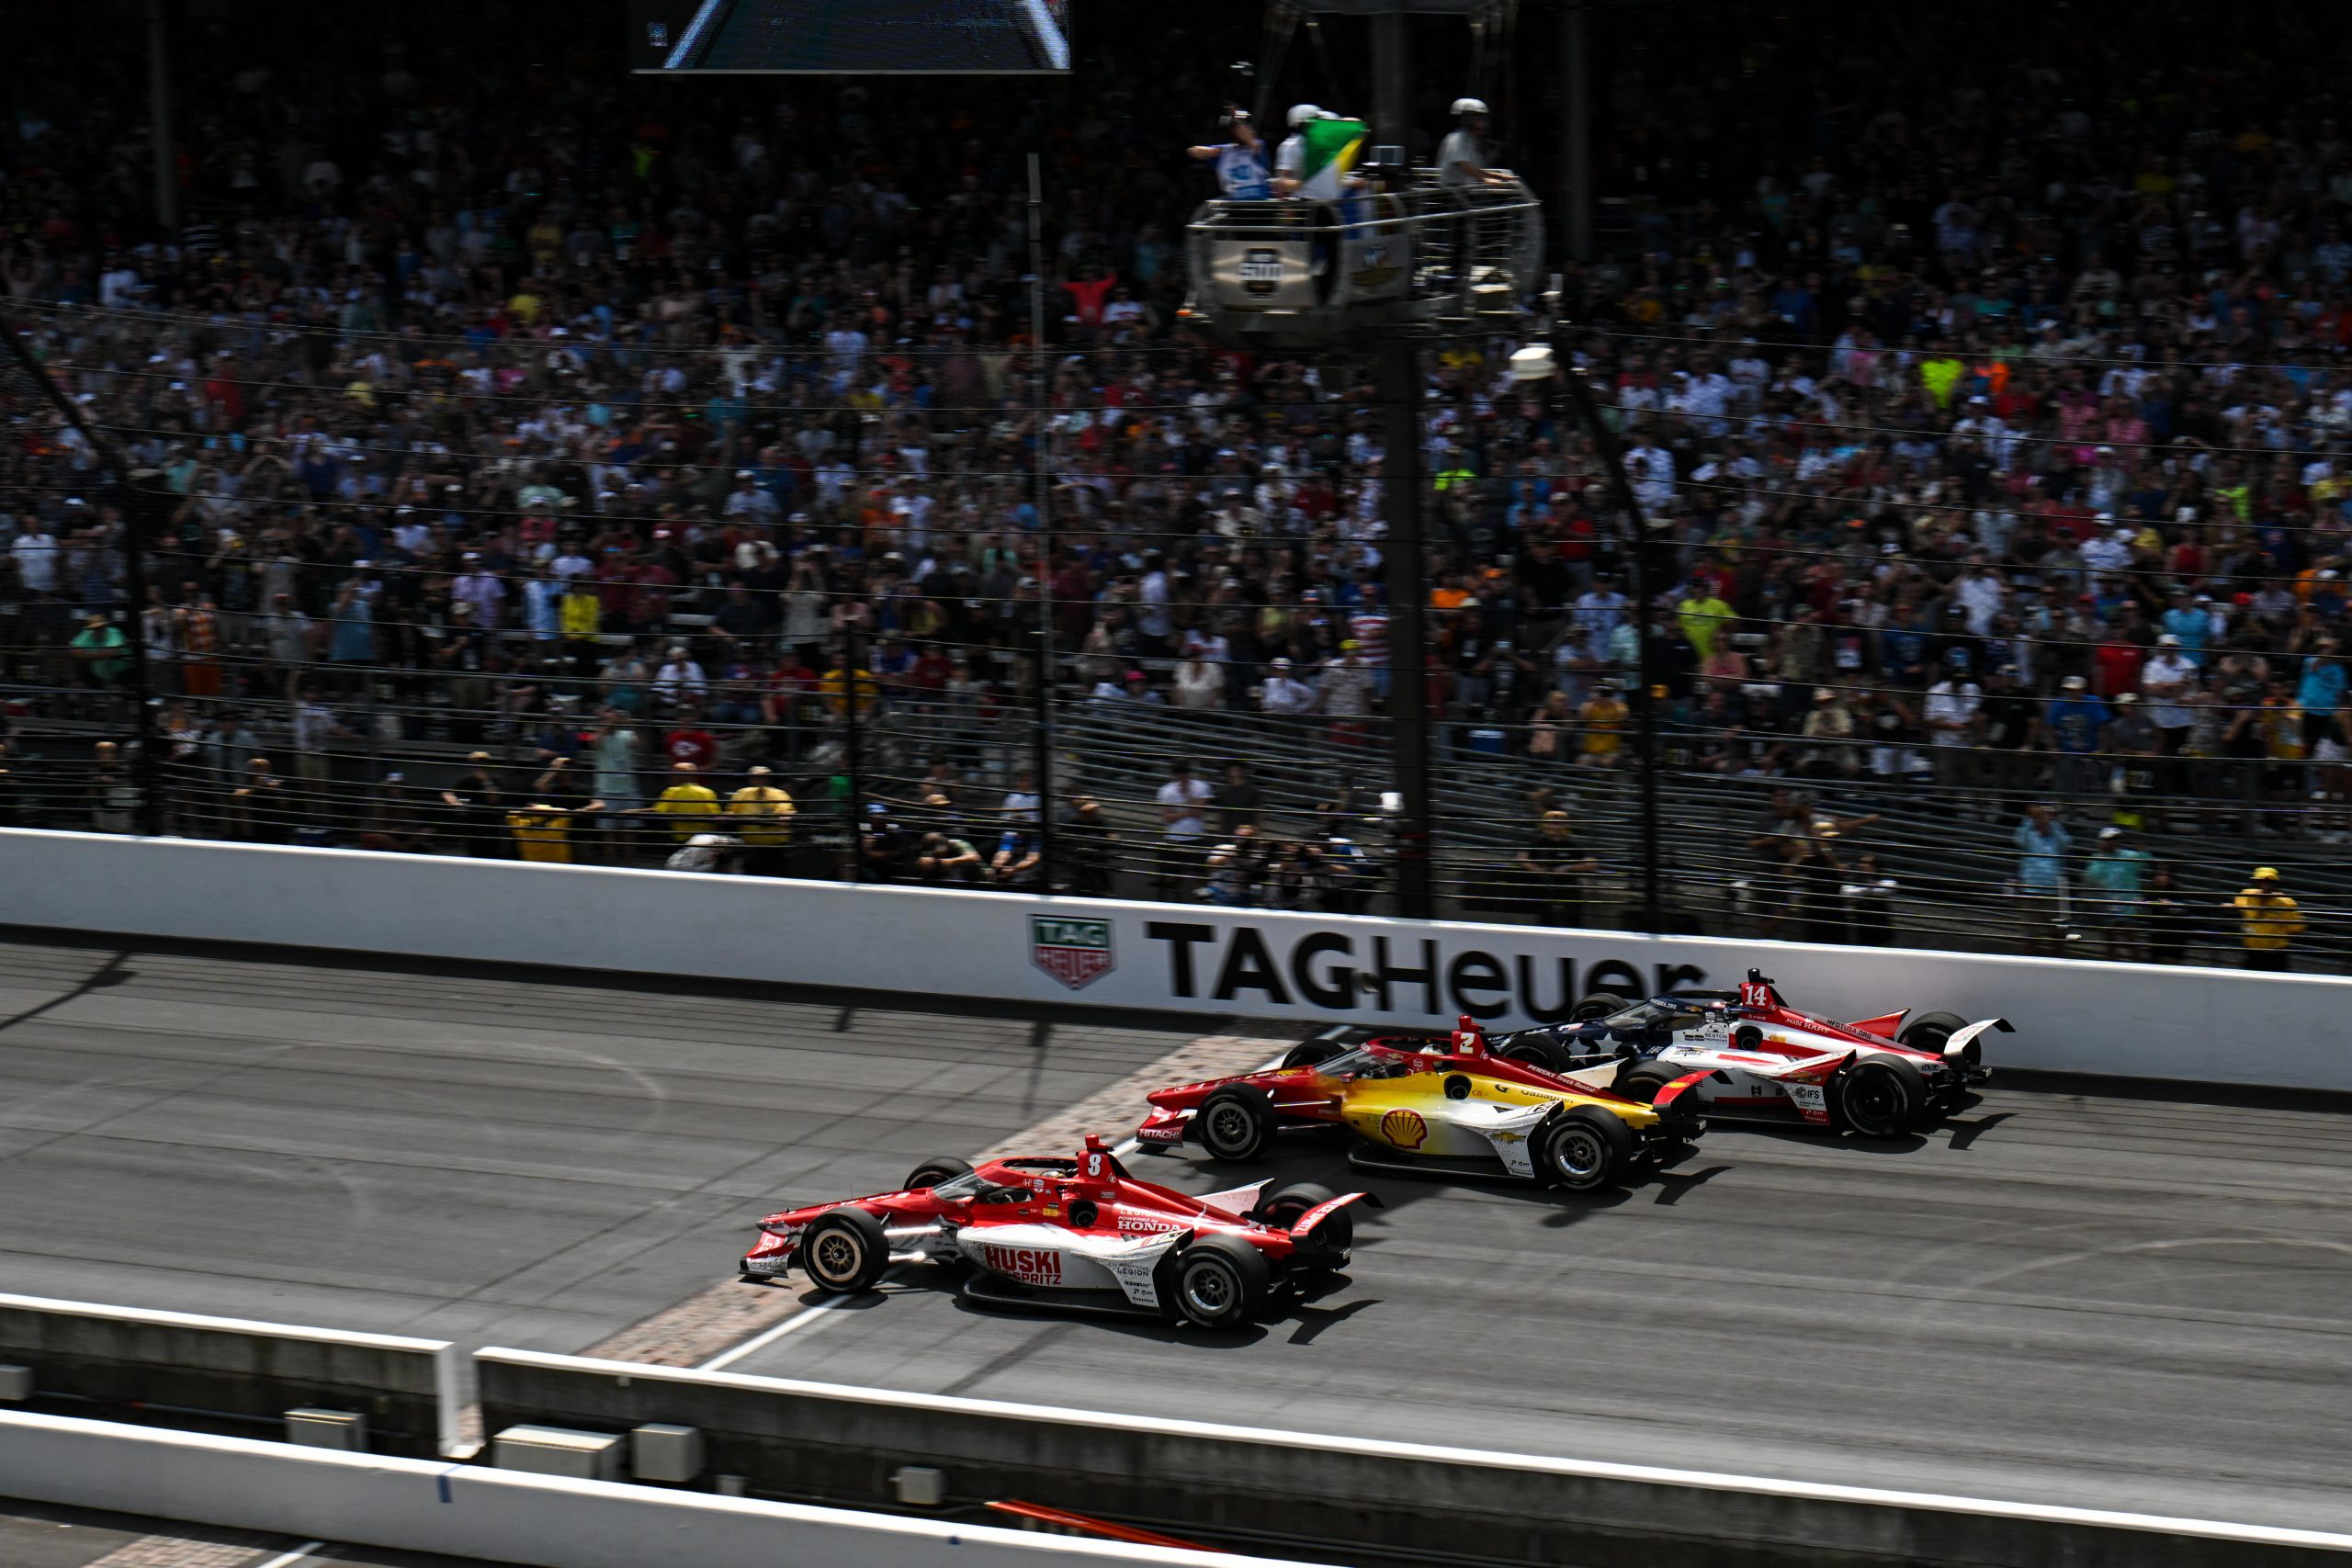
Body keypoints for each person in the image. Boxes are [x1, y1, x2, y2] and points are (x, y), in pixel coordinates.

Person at [1516, 809, 1597, 927]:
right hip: (1544, 889)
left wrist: (1568, 868)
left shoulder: (1572, 845)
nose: (1554, 826)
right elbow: (1521, 858)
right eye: (1550, 823)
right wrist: (1538, 870)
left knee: (1572, 923)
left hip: (1568, 890)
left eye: (1558, 823)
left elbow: (1592, 864)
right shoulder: (1538, 843)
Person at [2080, 827, 2152, 959]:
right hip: (2106, 905)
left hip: (2127, 904)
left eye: (2115, 839)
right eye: (2109, 840)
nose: (2112, 842)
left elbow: (2146, 860)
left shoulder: (2129, 856)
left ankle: (2140, 966)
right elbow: (2091, 877)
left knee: (2132, 939)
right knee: (2110, 941)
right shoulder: (2096, 859)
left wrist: (2143, 851)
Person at [2012, 803, 2073, 952]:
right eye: (2039, 817)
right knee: (2029, 935)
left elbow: (2067, 843)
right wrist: (2029, 818)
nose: (2042, 820)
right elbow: (2018, 839)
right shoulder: (2029, 836)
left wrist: (2053, 822)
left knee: (2057, 934)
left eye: (2045, 817)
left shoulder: (2057, 838)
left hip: (2054, 892)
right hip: (2031, 892)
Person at [2231, 866, 2305, 973]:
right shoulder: (2246, 895)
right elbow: (2240, 905)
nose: (2265, 885)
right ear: (2255, 883)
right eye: (2262, 881)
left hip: (2274, 955)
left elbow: (2297, 927)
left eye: (2269, 882)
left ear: (2275, 884)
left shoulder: (2284, 903)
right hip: (2251, 952)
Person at [1186, 107, 1272, 199]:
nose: (1241, 130)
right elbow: (1193, 151)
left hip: (1260, 203)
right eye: (1235, 127)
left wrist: (1238, 118)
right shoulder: (1224, 152)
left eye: (1243, 126)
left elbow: (1249, 138)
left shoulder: (1256, 146)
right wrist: (1213, 152)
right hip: (1233, 206)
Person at [727, 765, 797, 875]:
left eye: (763, 777)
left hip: (774, 849)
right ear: (750, 779)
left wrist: (784, 817)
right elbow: (731, 813)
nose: (759, 780)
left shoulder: (779, 794)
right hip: (751, 848)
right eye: (756, 777)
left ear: (768, 779)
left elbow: (785, 813)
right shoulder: (742, 793)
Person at [1437, 97, 1506, 187]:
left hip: (1464, 190)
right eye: (1477, 117)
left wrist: (1498, 176)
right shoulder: (1457, 138)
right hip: (1453, 191)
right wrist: (1486, 179)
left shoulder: (1469, 140)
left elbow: (1476, 169)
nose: (1482, 121)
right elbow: (1465, 166)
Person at [650, 761, 719, 848]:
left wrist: (634, 811)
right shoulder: (707, 792)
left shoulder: (672, 792)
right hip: (704, 838)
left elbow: (657, 811)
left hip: (682, 838)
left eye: (673, 773)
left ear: (677, 777)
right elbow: (716, 816)